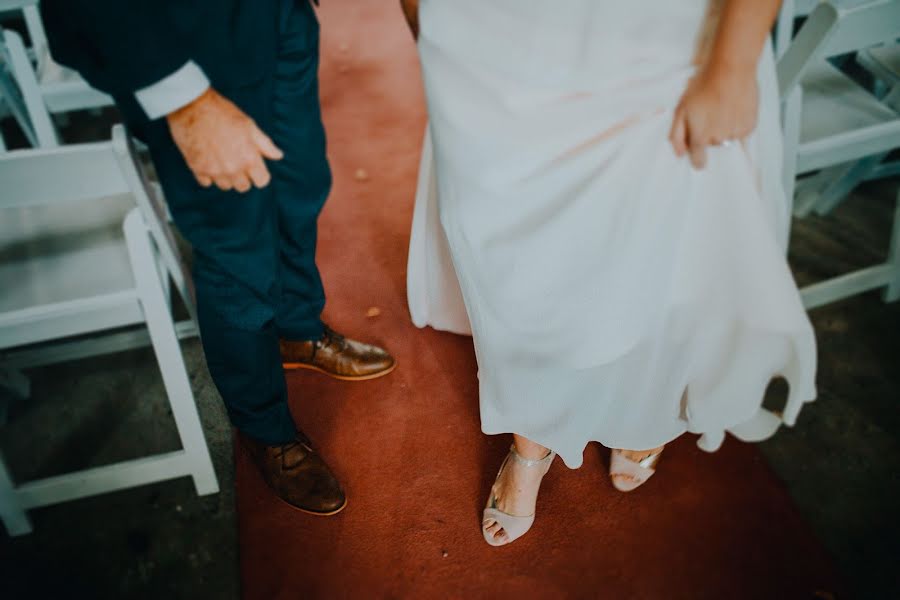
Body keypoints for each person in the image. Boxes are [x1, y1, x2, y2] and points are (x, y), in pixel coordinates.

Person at [403, 0, 817, 545]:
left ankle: (644, 412)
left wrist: (732, 66)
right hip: (496, 40)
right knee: (514, 260)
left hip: (656, 36)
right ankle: (532, 435)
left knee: (656, 240)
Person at [41, 0, 397, 515]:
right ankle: (263, 425)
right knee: (235, 247)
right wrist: (180, 97)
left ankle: (297, 330)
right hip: (184, 47)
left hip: (276, 16)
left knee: (301, 191)